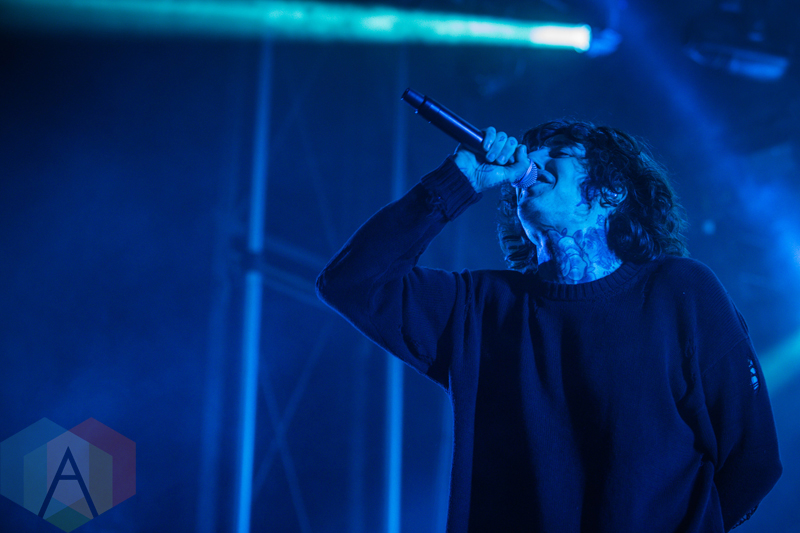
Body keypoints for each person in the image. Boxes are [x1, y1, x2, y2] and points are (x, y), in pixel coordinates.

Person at [316, 119, 782, 532]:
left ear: (612, 190)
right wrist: (458, 180)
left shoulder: (680, 291)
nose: (530, 161)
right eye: (530, 152)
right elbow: (351, 283)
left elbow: (753, 459)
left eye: (556, 152)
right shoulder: (479, 307)